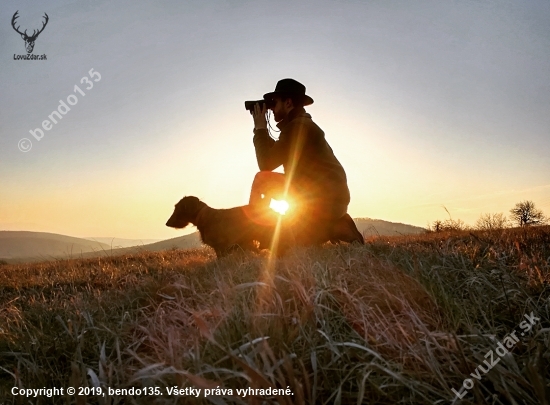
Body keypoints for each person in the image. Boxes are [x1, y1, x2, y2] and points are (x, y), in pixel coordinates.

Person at [249, 78, 351, 245]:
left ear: (288, 102)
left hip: (320, 200)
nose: (271, 109)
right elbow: (278, 152)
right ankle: (334, 226)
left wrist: (260, 129)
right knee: (295, 242)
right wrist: (261, 131)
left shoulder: (298, 127)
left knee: (262, 179)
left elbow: (266, 164)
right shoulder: (301, 125)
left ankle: (252, 232)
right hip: (328, 199)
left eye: (274, 103)